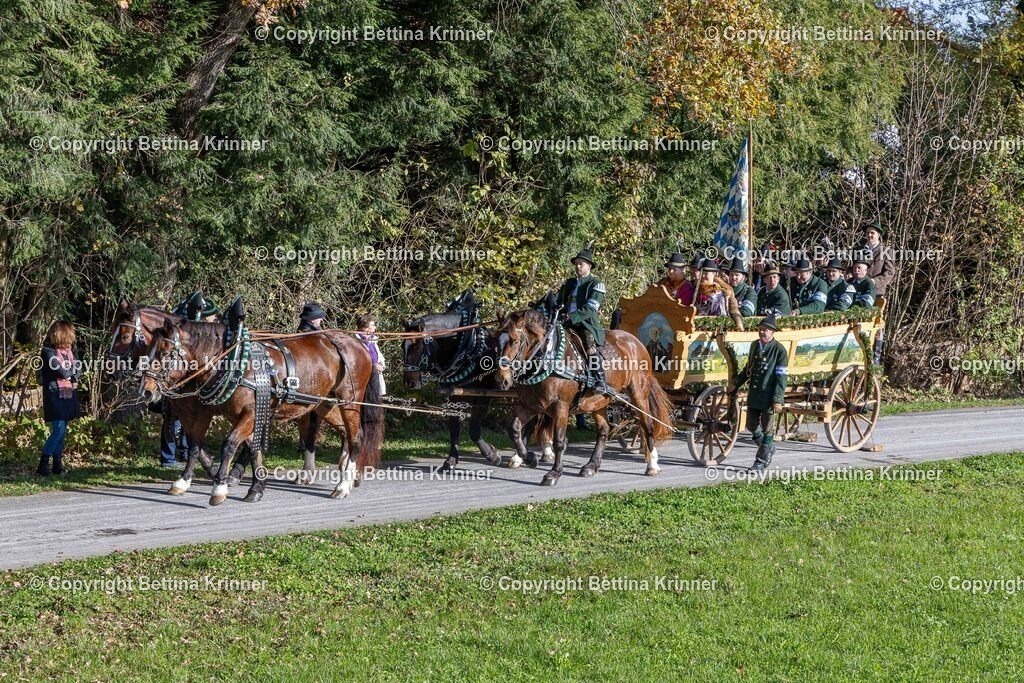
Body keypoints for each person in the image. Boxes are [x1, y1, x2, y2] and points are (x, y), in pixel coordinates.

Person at [727, 314, 788, 472]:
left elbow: (781, 377)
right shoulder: (755, 345)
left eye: (765, 330)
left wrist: (777, 398)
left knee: (768, 429)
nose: (762, 332)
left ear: (772, 332)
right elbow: (748, 369)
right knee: (751, 424)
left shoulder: (779, 350)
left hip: (769, 397)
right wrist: (736, 383)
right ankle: (767, 448)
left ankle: (760, 462)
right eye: (760, 329)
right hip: (754, 394)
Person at [556, 244, 608, 393]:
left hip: (586, 324)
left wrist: (571, 318)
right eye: (576, 264)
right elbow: (559, 301)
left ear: (589, 266)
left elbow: (591, 309)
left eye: (581, 264)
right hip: (565, 322)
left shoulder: (597, 284)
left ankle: (600, 380)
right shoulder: (570, 283)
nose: (578, 266)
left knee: (588, 341)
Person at [38, 321, 82, 476]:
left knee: (63, 432)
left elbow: (78, 368)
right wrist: (72, 373)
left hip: (67, 393)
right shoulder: (48, 351)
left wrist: (73, 373)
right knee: (58, 430)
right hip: (54, 394)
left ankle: (57, 466)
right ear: (63, 334)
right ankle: (43, 465)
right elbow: (61, 372)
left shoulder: (70, 350)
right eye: (70, 333)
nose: (72, 337)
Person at [356, 313, 386, 395]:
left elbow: (380, 357)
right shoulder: (355, 341)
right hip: (363, 379)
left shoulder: (373, 340)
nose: (375, 327)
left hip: (375, 377)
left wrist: (381, 365)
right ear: (365, 328)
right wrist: (373, 366)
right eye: (372, 325)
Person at [862, 222, 894, 298]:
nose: (869, 235)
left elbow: (889, 272)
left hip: (876, 292)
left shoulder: (887, 251)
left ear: (878, 235)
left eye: (872, 233)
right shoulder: (858, 250)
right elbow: (850, 267)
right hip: (858, 289)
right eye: (867, 233)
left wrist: (874, 281)